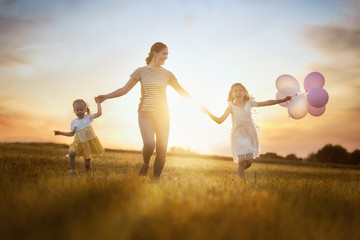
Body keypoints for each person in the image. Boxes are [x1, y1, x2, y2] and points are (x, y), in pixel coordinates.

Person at [95, 42, 194, 179]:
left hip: (163, 115)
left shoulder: (168, 74)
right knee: (149, 144)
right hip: (145, 113)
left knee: (161, 151)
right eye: (164, 53)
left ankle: (155, 180)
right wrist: (106, 96)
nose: (166, 57)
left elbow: (181, 91)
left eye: (167, 54)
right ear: (155, 53)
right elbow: (124, 89)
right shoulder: (140, 71)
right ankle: (146, 163)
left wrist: (197, 103)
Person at [202, 83, 291, 180]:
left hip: (249, 134)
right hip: (238, 136)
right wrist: (208, 113)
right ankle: (242, 180)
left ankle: (240, 170)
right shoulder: (231, 107)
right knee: (241, 161)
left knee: (249, 161)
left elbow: (266, 102)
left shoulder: (249, 103)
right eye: (235, 91)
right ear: (232, 95)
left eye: (240, 90)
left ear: (244, 93)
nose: (238, 93)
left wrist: (282, 100)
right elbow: (219, 121)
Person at [54, 98, 104, 174]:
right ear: (74, 111)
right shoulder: (74, 122)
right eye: (77, 110)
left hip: (87, 144)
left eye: (81, 109)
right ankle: (73, 169)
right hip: (78, 142)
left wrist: (98, 103)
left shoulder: (88, 117)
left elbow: (99, 113)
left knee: (87, 165)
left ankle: (89, 175)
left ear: (85, 109)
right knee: (71, 153)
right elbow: (71, 134)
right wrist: (60, 133)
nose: (79, 112)